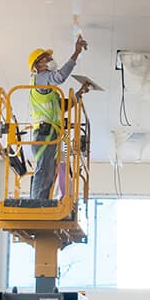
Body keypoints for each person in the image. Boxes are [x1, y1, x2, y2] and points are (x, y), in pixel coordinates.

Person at [28, 36, 89, 201]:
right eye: (46, 59)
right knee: (44, 170)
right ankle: (36, 204)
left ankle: (47, 201)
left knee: (52, 171)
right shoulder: (41, 79)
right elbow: (60, 77)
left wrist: (80, 93)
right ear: (38, 65)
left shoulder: (50, 90)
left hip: (54, 134)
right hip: (44, 133)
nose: (50, 60)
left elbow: (64, 107)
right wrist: (76, 52)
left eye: (50, 58)